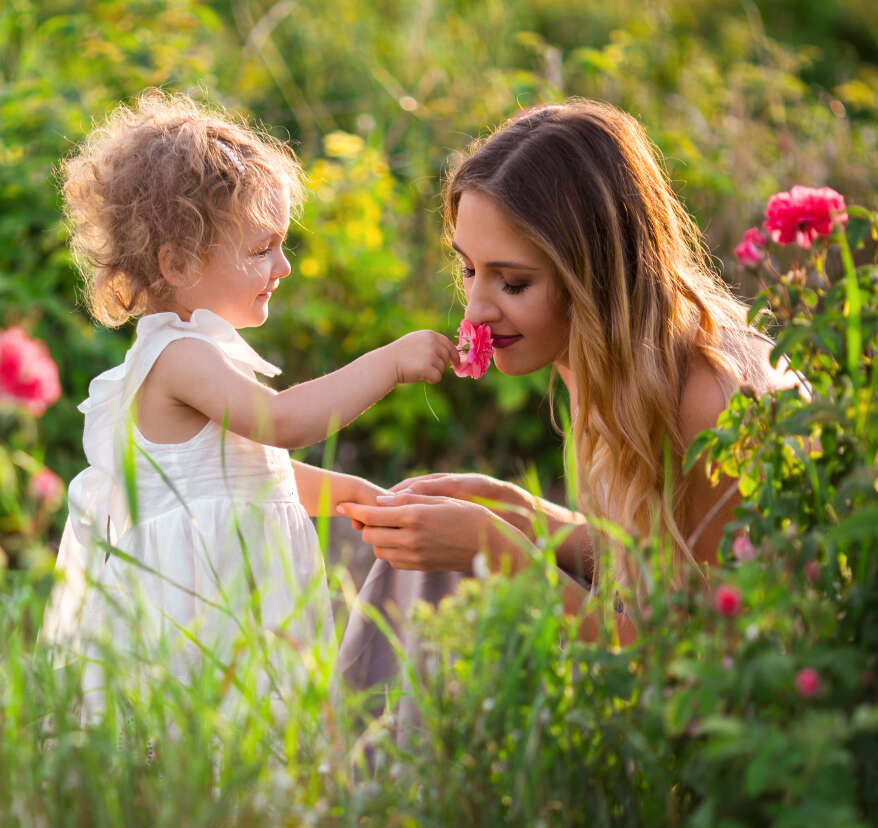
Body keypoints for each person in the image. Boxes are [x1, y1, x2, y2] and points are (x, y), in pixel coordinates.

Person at [336, 99, 804, 685]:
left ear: (595, 277)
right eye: (468, 270)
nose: (476, 310)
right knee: (430, 562)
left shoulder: (713, 400)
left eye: (513, 282)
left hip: (740, 719)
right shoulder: (599, 359)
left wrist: (499, 550)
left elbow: (693, 666)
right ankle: (364, 764)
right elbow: (648, 569)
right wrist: (521, 513)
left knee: (467, 577)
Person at [41, 91, 456, 711]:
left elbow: (248, 475)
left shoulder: (205, 355)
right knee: (204, 742)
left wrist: (346, 494)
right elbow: (282, 423)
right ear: (177, 263)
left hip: (237, 604)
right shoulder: (178, 357)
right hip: (198, 608)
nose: (283, 266)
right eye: (262, 249)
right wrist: (388, 364)